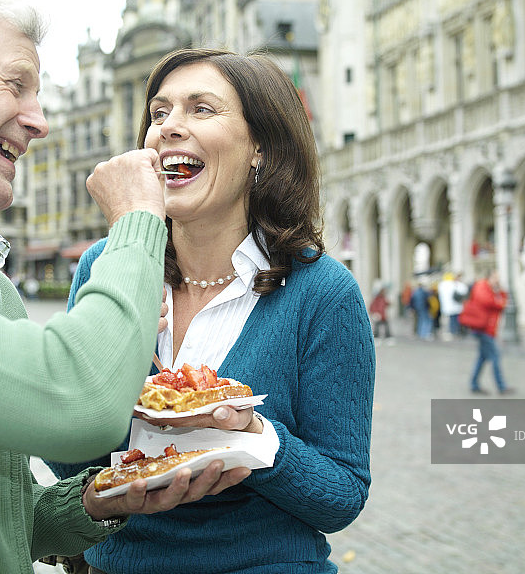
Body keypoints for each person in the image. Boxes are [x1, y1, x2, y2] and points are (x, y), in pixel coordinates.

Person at [0, 0, 247, 572]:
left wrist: (93, 501)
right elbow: (82, 401)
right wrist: (139, 221)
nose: (38, 121)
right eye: (16, 85)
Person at [47, 48, 376, 574]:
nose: (169, 127)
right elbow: (68, 459)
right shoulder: (106, 267)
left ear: (259, 148)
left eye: (201, 109)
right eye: (159, 113)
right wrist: (109, 363)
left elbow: (341, 496)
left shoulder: (323, 292)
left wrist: (255, 439)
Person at [462, 270, 514, 395]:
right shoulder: (482, 286)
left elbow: (502, 300)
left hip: (487, 328)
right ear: (489, 277)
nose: (497, 280)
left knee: (482, 357)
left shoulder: (492, 289)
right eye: (495, 278)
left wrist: (499, 291)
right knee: (495, 356)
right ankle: (501, 386)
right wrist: (499, 301)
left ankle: (474, 383)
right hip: (483, 328)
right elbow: (490, 302)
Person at [437, 271, 469, 339]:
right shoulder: (455, 284)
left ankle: (453, 331)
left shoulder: (442, 285)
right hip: (456, 306)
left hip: (448, 307)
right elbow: (464, 291)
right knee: (455, 320)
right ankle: (455, 331)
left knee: (451, 320)